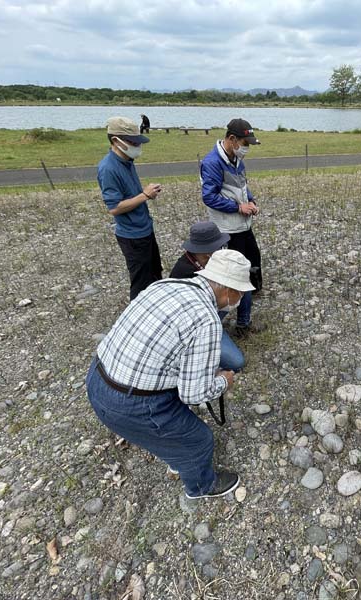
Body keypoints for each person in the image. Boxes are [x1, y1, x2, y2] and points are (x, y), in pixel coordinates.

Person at [86, 249, 255, 499]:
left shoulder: (167, 285)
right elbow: (194, 394)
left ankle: (169, 449)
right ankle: (201, 487)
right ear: (228, 290)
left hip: (97, 378)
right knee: (199, 440)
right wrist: (222, 381)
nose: (240, 298)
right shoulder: (206, 319)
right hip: (130, 402)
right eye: (241, 292)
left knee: (172, 425)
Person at [200, 118, 263, 338]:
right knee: (236, 273)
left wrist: (251, 201)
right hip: (227, 228)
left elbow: (243, 187)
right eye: (245, 143)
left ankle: (247, 307)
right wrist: (238, 207)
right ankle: (228, 323)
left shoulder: (237, 159)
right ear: (232, 139)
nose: (247, 148)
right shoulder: (212, 162)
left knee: (253, 262)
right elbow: (208, 197)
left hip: (243, 224)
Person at [97, 116, 163, 301]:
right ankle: (139, 318)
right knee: (141, 281)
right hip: (132, 235)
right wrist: (145, 195)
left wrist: (145, 193)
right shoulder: (109, 168)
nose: (137, 145)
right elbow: (114, 208)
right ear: (116, 141)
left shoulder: (127, 161)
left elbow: (129, 195)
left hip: (145, 228)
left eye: (138, 141)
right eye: (133, 142)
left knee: (155, 274)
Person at [170, 221, 245, 372]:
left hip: (213, 309)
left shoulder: (214, 258)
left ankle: (243, 325)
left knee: (243, 282)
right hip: (195, 323)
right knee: (237, 363)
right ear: (206, 252)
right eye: (218, 246)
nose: (222, 249)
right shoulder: (183, 272)